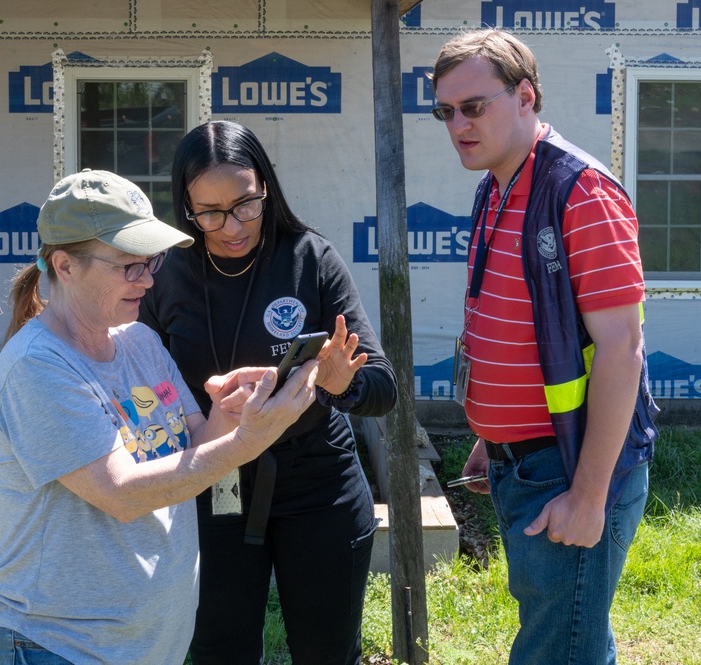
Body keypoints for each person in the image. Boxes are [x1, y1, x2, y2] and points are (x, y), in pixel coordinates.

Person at [0, 169, 319, 665]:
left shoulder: (138, 340)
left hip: (142, 646)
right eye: (128, 266)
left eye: (151, 262)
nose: (149, 279)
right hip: (60, 648)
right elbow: (121, 492)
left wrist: (231, 412)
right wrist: (249, 440)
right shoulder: (36, 365)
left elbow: (194, 443)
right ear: (65, 266)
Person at [430, 29, 659, 664]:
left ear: (526, 95)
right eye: (445, 112)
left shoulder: (580, 192)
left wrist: (587, 497)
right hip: (523, 461)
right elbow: (516, 329)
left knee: (556, 652)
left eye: (474, 106)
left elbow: (622, 350)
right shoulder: (495, 186)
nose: (458, 125)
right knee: (571, 639)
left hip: (569, 466)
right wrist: (492, 435)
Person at [139, 120, 397, 664]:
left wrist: (341, 384)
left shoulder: (309, 258)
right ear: (183, 206)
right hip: (215, 483)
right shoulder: (165, 276)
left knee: (327, 652)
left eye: (245, 205)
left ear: (266, 189)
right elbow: (138, 385)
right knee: (218, 649)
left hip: (317, 484)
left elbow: (382, 387)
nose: (231, 226)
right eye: (208, 212)